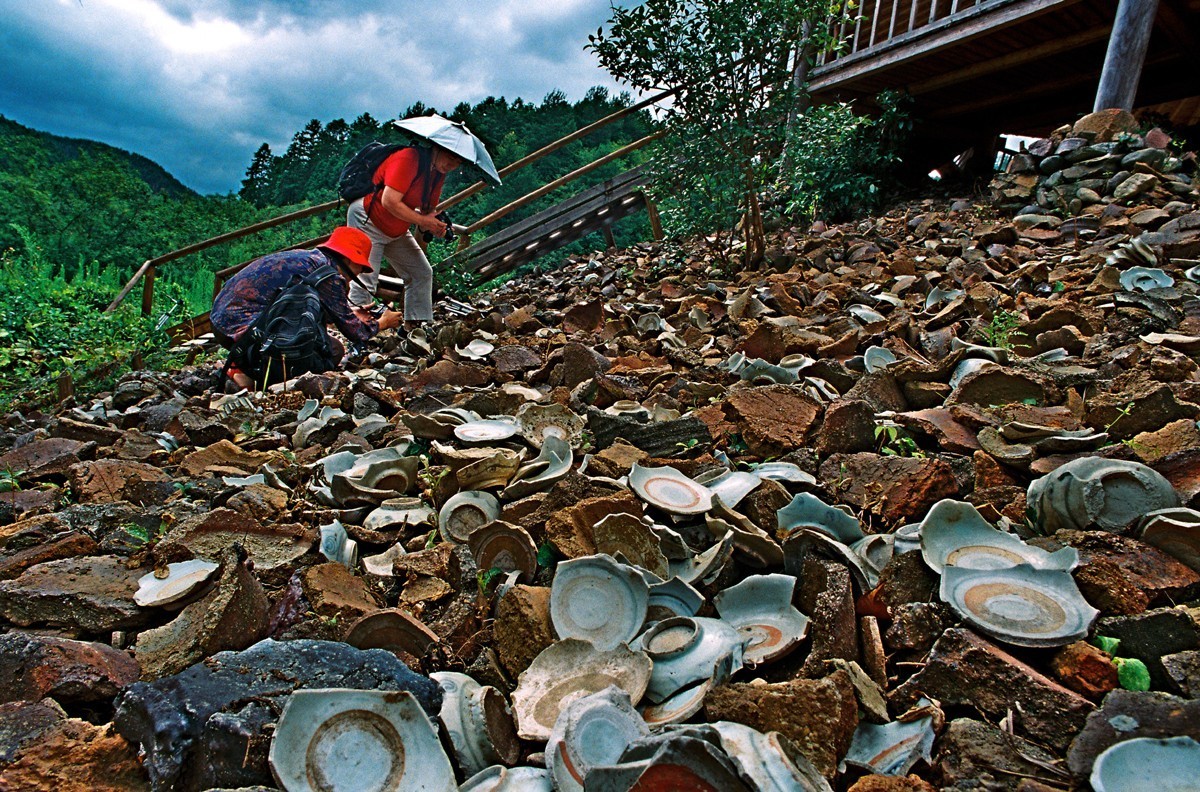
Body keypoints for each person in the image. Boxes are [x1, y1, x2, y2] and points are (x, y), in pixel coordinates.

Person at [211, 226, 403, 390]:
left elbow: (300, 308)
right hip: (243, 331)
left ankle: (245, 368)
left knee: (322, 343)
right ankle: (252, 374)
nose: (360, 273)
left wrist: (351, 314)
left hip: (220, 321)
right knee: (332, 351)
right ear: (352, 260)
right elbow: (357, 333)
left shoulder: (310, 260)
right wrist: (383, 323)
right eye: (361, 267)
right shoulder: (330, 276)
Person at [345, 144, 465, 323]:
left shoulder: (437, 172)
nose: (452, 164)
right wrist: (424, 221)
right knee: (365, 278)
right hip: (368, 219)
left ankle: (416, 328)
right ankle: (356, 331)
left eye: (458, 161)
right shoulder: (408, 158)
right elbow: (389, 201)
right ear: (437, 147)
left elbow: (427, 209)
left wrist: (436, 225)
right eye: (450, 156)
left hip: (396, 227)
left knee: (421, 273)